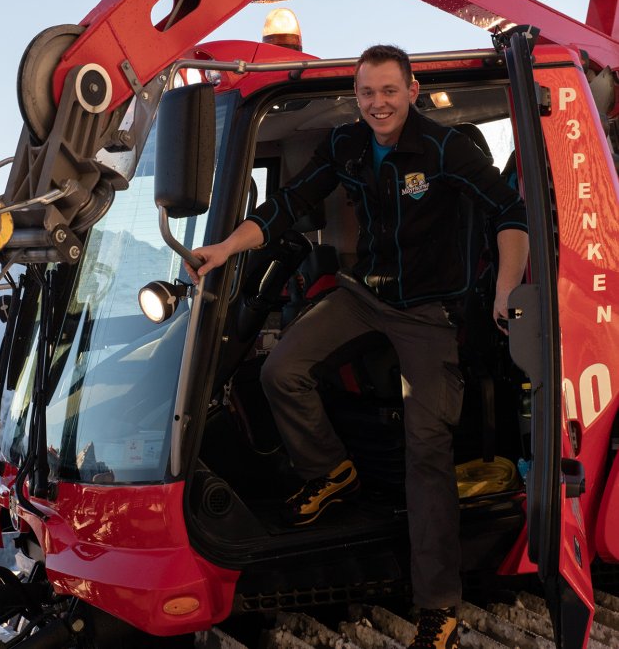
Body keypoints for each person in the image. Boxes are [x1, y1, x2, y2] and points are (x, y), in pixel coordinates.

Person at [187, 44, 528, 649]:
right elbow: (288, 207)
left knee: (427, 451)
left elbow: (510, 213)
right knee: (280, 371)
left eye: (390, 91)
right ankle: (329, 470)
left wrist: (504, 289)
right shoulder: (345, 146)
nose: (378, 103)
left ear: (412, 91)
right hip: (360, 297)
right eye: (368, 92)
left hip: (427, 314)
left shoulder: (445, 148)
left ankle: (438, 607)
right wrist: (224, 251)